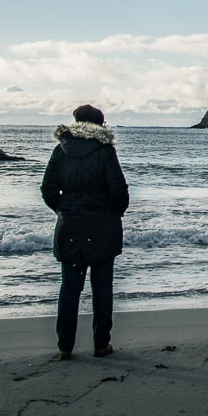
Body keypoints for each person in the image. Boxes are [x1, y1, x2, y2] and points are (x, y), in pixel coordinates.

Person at [40, 104, 129, 360]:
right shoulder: (104, 152)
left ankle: (64, 347)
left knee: (69, 287)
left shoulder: (61, 151)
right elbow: (119, 191)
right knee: (101, 287)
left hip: (70, 226)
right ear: (99, 125)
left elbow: (47, 189)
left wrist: (63, 209)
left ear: (76, 122)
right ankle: (101, 345)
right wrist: (115, 212)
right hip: (102, 227)